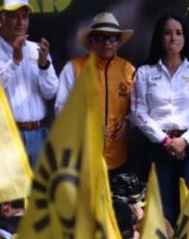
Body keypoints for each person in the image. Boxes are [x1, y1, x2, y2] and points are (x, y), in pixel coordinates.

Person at [132, 14, 189, 224]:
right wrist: (166, 141)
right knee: (161, 210)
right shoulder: (145, 72)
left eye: (178, 33)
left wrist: (183, 140)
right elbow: (138, 112)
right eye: (167, 33)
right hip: (158, 147)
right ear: (159, 37)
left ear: (185, 37)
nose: (173, 38)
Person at [56, 12, 136, 171]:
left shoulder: (129, 70)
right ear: (90, 41)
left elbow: (138, 108)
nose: (107, 43)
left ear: (119, 41)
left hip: (118, 158)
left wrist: (129, 122)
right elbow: (61, 109)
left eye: (112, 38)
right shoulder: (73, 68)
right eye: (100, 38)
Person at [0, 0, 58, 168]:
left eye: (25, 17)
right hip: (6, 137)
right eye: (14, 16)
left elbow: (50, 93)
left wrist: (44, 66)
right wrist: (15, 60)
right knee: (11, 187)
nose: (21, 22)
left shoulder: (36, 50)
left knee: (40, 187)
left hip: (39, 135)